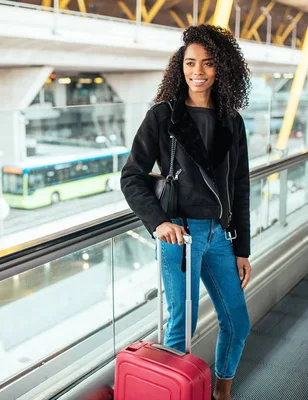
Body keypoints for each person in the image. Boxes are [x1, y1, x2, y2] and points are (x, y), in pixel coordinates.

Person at [120, 24, 252, 400]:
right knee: (181, 327)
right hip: (179, 234)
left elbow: (239, 188)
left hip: (218, 237)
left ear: (221, 69)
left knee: (236, 322)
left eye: (208, 64)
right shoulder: (163, 117)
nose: (197, 72)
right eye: (190, 63)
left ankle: (221, 391)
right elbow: (131, 176)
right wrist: (159, 221)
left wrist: (242, 248)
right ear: (180, 67)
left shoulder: (232, 121)